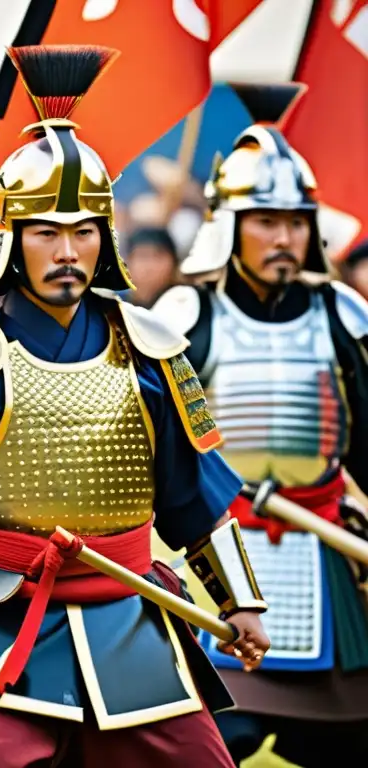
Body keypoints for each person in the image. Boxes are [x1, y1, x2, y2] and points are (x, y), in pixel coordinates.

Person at [0, 45, 270, 768]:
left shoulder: (150, 350)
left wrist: (239, 600)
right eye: (47, 231)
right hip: (0, 614)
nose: (67, 251)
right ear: (11, 240)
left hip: (129, 614)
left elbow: (196, 496)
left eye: (83, 231)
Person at [153, 82, 368, 767]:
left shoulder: (341, 316)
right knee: (217, 739)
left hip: (322, 547)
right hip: (219, 551)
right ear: (230, 224)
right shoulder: (188, 317)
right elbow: (162, 450)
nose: (284, 237)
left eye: (296, 221)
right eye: (266, 221)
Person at [123, 226, 179, 308]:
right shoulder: (115, 308)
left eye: (158, 256)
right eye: (143, 256)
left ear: (174, 263)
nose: (150, 266)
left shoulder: (189, 305)